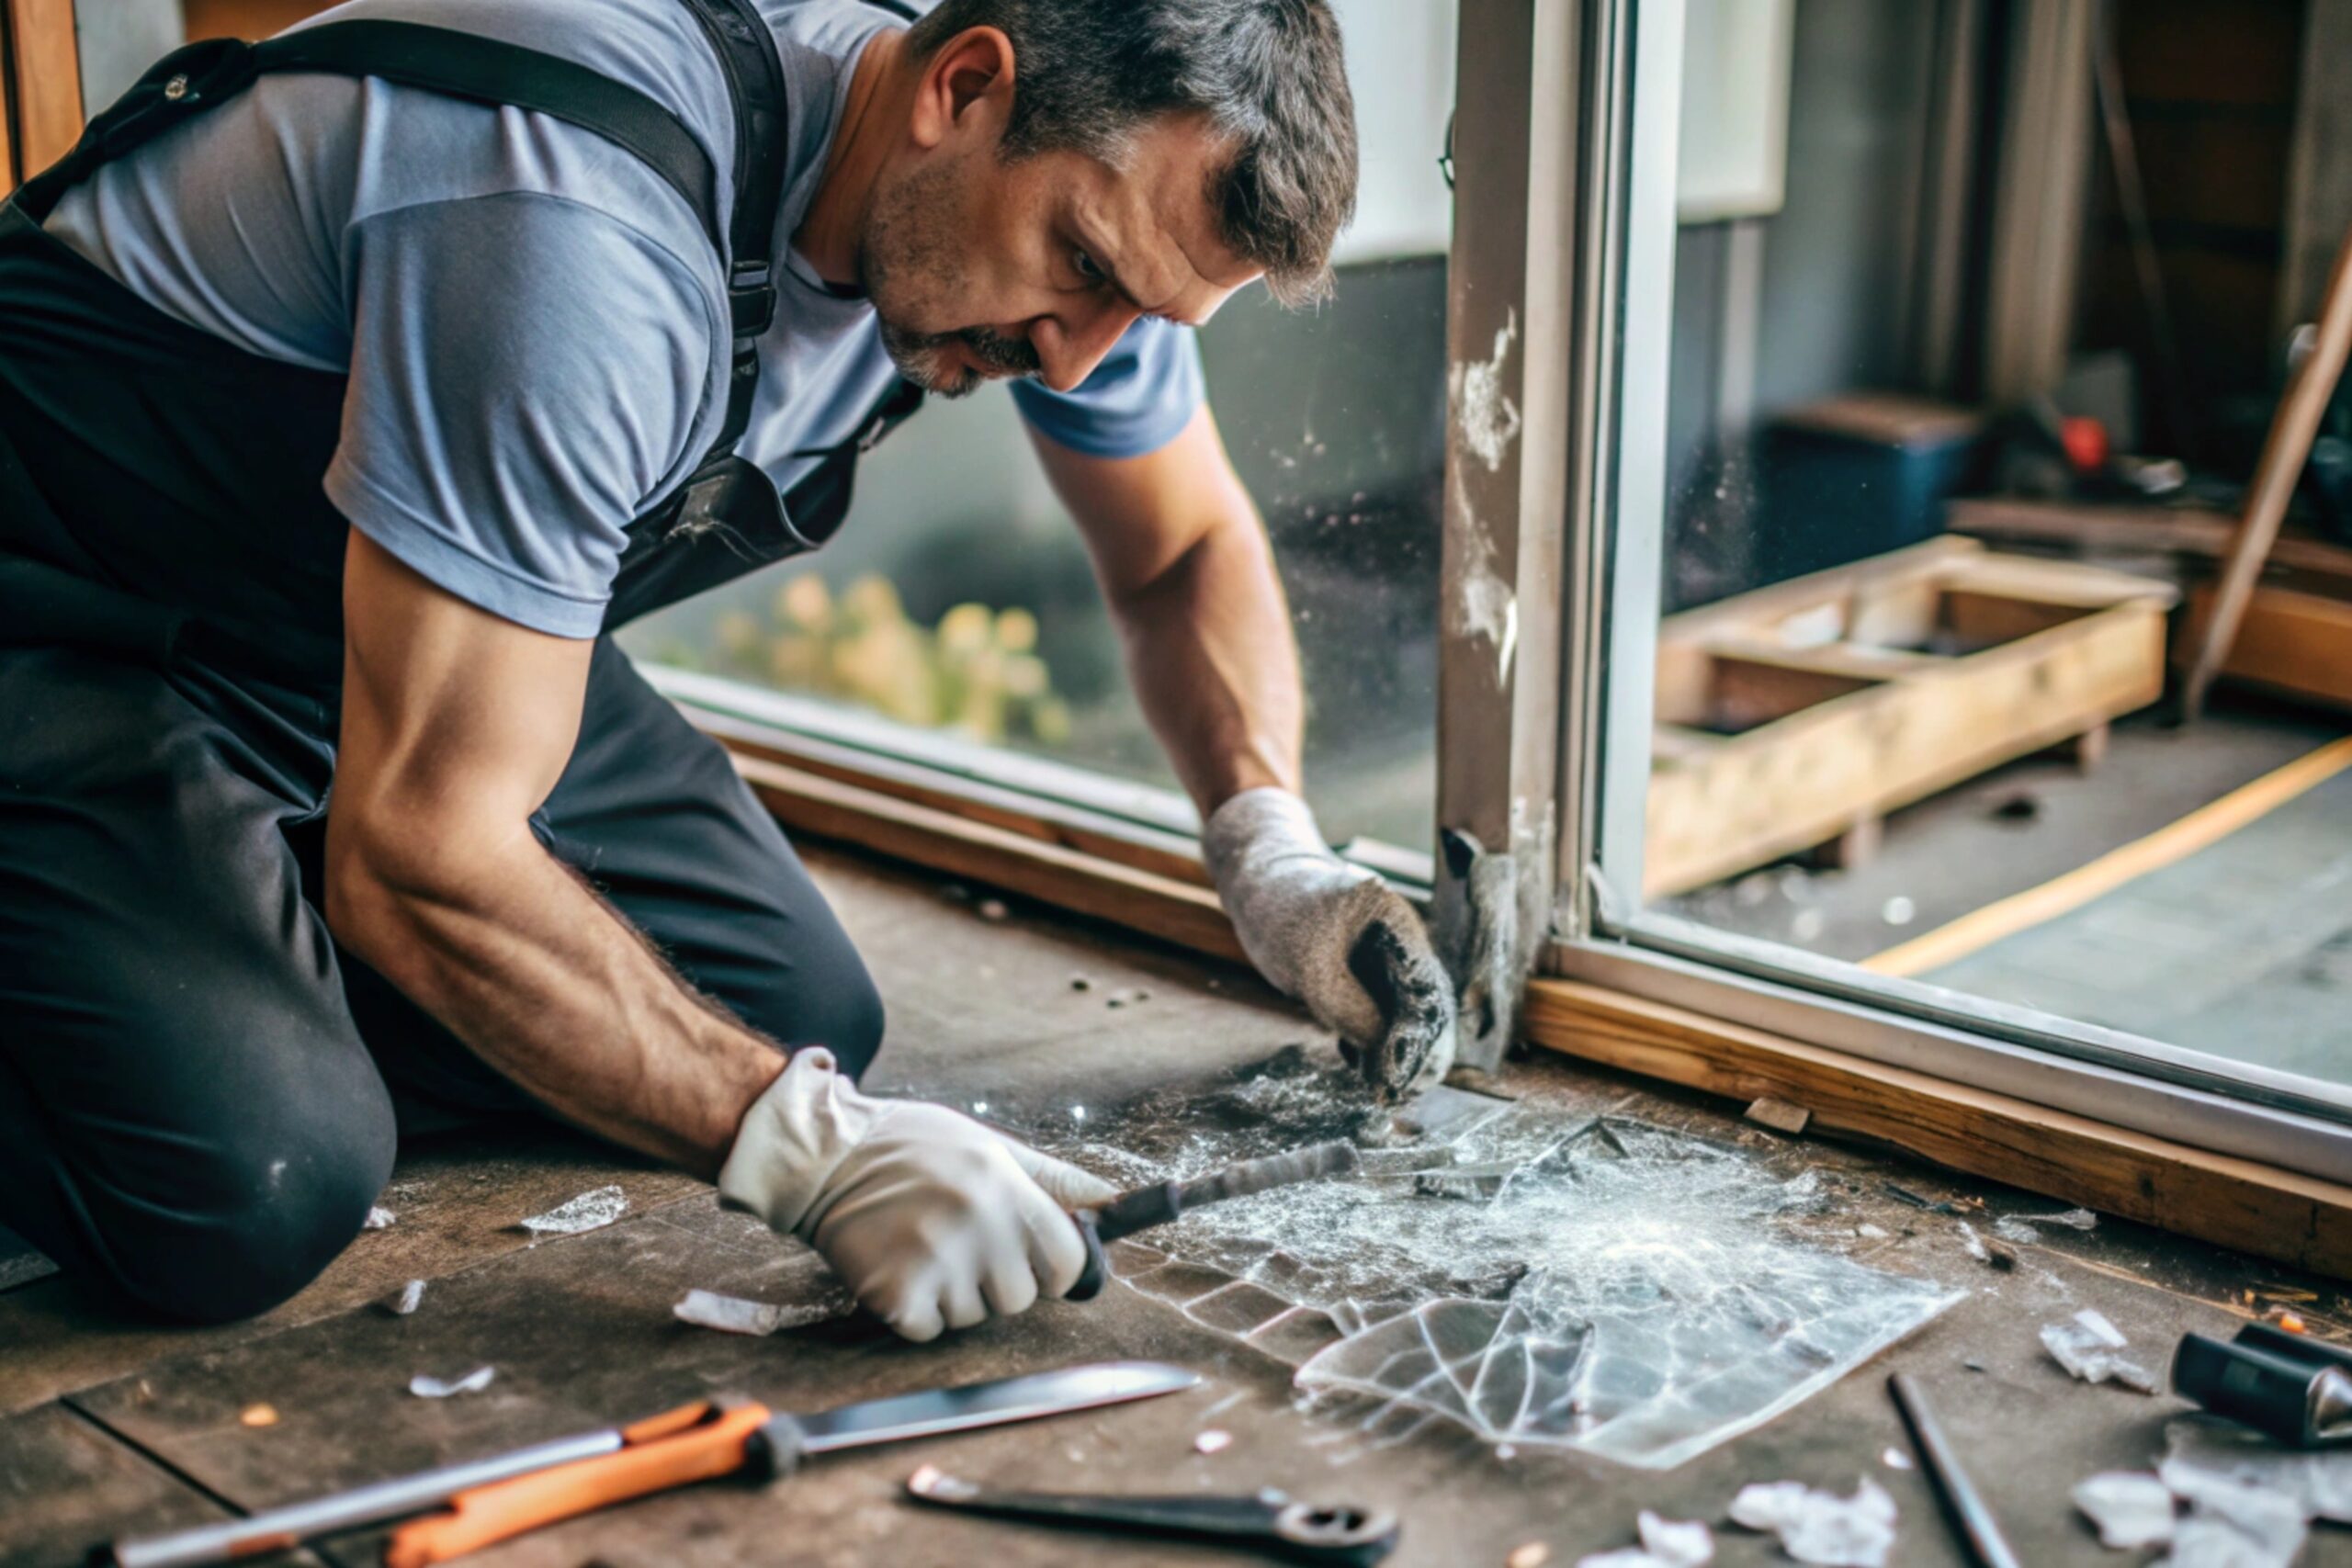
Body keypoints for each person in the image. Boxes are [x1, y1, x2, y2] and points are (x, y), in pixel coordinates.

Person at [0, 0, 1456, 1343]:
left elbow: (1181, 546)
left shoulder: (1050, 231)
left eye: (1148, 315)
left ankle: (188, 960)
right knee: (245, 1187)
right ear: (963, 86)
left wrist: (1269, 857)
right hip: (70, 603)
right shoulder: (581, 216)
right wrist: (805, 1152)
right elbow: (425, 850)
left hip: (361, 623)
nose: (1083, 363)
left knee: (784, 1006)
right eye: (1083, 266)